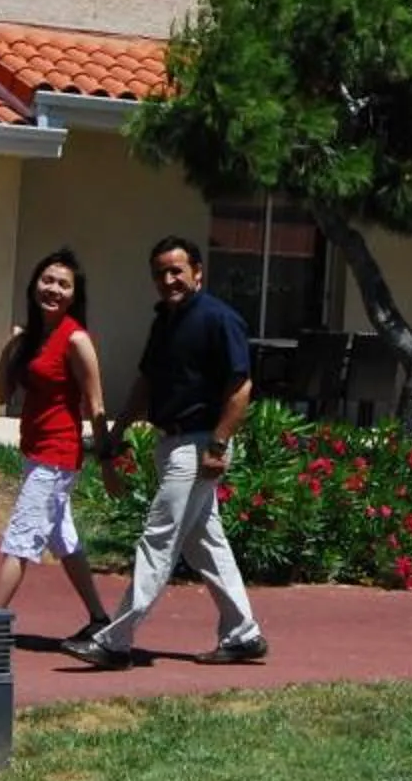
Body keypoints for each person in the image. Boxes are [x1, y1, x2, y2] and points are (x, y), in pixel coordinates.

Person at [67, 234, 268, 667]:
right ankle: (243, 634)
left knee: (159, 539)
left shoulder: (220, 319)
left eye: (177, 270)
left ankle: (114, 642)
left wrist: (219, 443)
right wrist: (117, 432)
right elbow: (146, 382)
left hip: (199, 445)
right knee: (205, 544)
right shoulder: (165, 321)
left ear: (198, 272)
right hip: (170, 441)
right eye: (160, 273)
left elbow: (241, 387)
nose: (169, 280)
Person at [0, 247, 114, 639]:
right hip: (35, 451)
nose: (53, 289)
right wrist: (10, 348)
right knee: (64, 539)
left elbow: (96, 405)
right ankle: (99, 619)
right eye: (47, 280)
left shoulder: (75, 340)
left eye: (63, 284)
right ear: (34, 285)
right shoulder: (30, 339)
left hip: (57, 455)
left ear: (74, 294)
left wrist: (107, 463)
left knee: (20, 539)